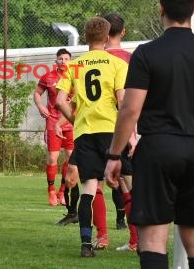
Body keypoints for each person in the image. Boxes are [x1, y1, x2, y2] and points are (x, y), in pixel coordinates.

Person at [105, 0, 194, 269]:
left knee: (152, 241)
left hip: (158, 149)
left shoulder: (147, 54)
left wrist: (115, 154)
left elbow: (129, 110)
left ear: (161, 8)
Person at [55, 17, 128, 258]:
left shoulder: (74, 65)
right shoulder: (116, 63)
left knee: (89, 189)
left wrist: (75, 119)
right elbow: (122, 101)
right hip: (111, 130)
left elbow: (59, 100)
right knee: (127, 183)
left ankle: (86, 244)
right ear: (107, 38)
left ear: (85, 38)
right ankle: (140, 240)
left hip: (85, 132)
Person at [103, 12, 138, 252]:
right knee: (129, 185)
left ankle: (102, 237)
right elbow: (132, 100)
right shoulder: (132, 59)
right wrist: (135, 132)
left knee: (97, 185)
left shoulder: (93, 58)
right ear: (123, 32)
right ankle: (136, 240)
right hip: (126, 127)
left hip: (99, 128)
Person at [33, 48, 77, 210]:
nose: (63, 61)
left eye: (66, 59)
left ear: (70, 61)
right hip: (53, 121)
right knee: (52, 158)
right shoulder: (48, 76)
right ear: (56, 61)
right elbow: (37, 93)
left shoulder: (75, 76)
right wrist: (40, 106)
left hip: (71, 121)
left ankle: (62, 192)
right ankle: (51, 191)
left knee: (71, 159)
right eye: (61, 58)